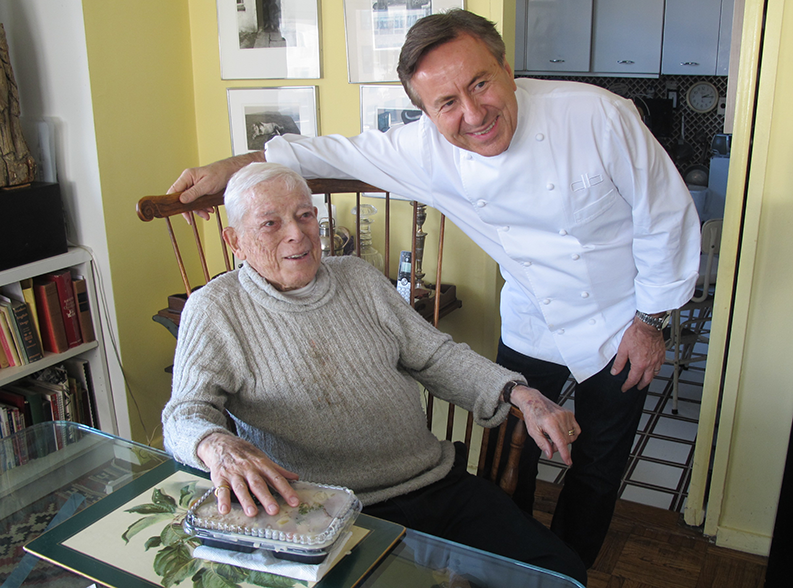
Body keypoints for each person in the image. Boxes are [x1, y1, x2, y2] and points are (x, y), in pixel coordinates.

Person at [168, 9, 701, 568]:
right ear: (425, 112)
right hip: (530, 317)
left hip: (625, 318)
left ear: (506, 68)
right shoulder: (423, 149)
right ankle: (520, 560)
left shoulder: (599, 116)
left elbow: (667, 216)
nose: (472, 114)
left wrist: (654, 320)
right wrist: (236, 164)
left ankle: (562, 568)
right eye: (446, 103)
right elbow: (332, 152)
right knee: (514, 452)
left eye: (480, 84)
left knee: (597, 465)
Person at [162, 162, 588, 584]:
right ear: (235, 240)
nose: (297, 233)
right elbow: (184, 413)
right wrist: (216, 444)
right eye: (271, 223)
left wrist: (519, 393)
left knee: (561, 575)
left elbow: (435, 356)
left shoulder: (359, 277)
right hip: (323, 510)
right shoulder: (216, 309)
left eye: (305, 215)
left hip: (434, 482)